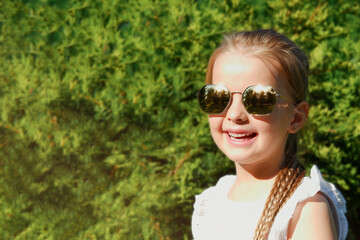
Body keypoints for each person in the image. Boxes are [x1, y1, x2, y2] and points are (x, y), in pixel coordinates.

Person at [192, 30, 348, 240]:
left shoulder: (304, 208)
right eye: (217, 97)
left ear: (296, 117)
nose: (235, 114)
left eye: (258, 99)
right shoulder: (212, 201)